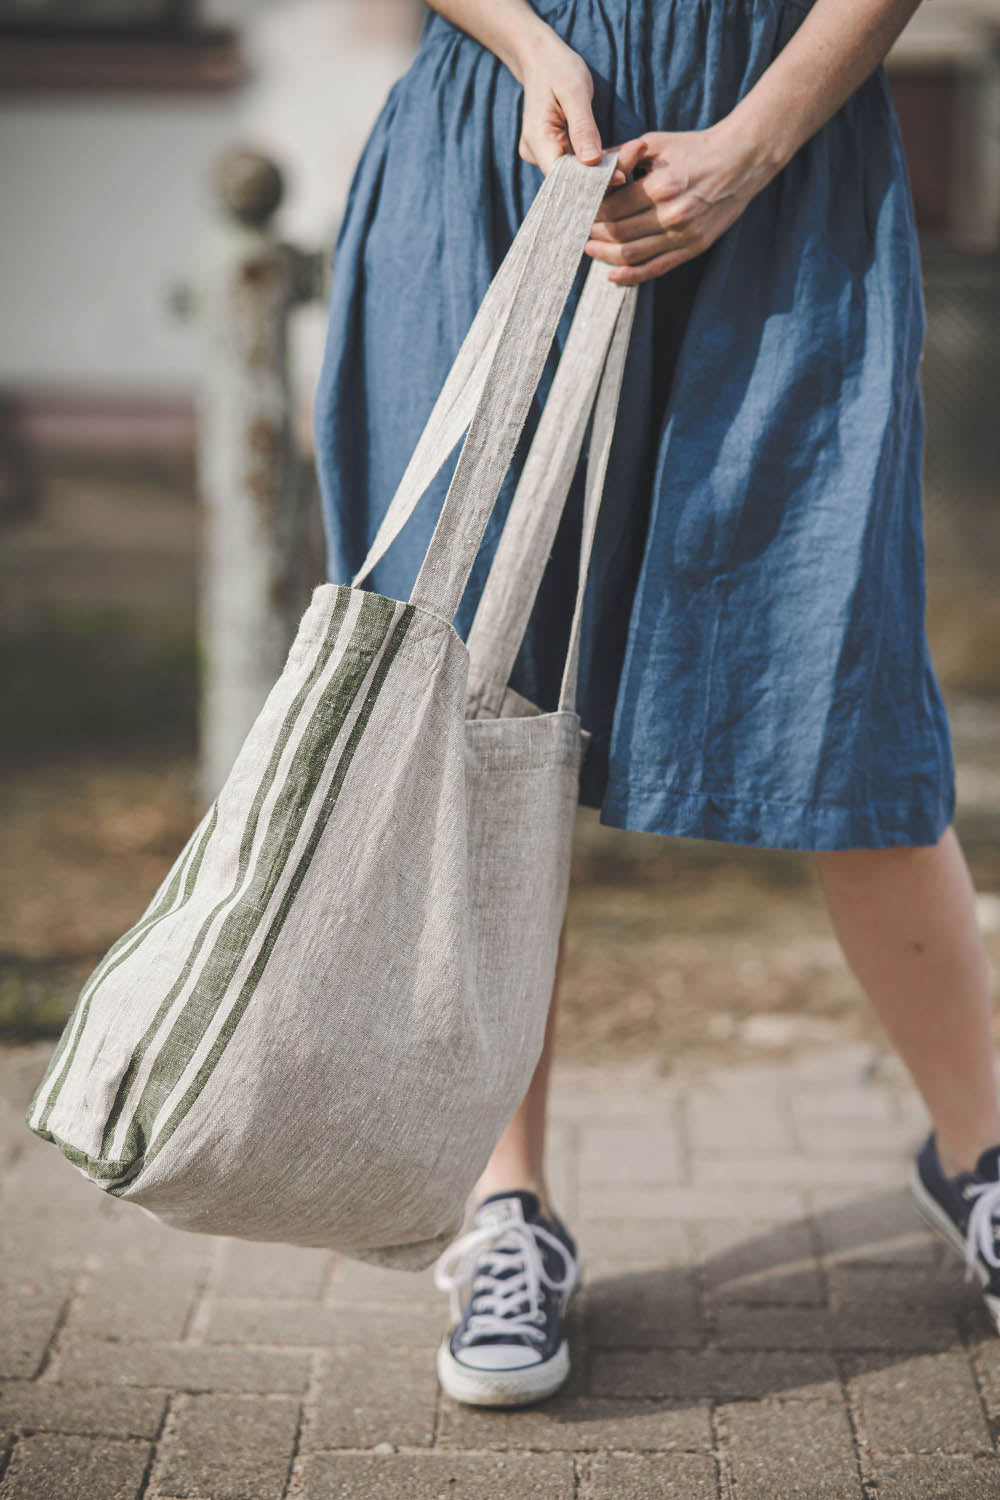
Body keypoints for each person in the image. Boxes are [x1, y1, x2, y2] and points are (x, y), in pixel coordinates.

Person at [312, 0, 1000, 1408]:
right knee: (475, 689)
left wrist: (752, 142)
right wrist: (527, 43)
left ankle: (983, 1158)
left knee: (839, 669)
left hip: (783, 160)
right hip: (502, 154)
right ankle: (509, 1212)